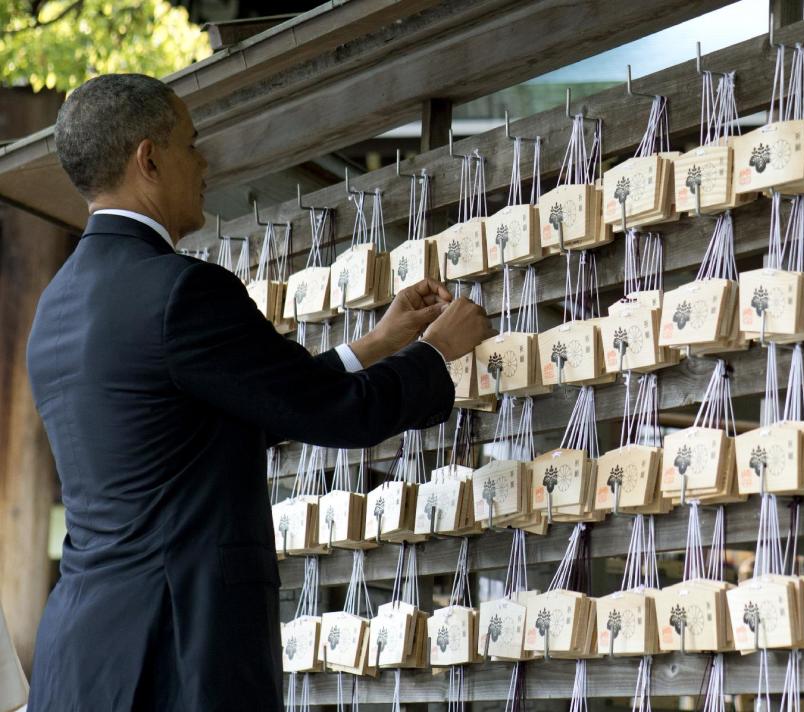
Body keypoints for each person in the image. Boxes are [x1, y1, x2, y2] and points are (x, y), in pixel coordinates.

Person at [26, 73, 493, 711]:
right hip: (177, 651)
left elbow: (232, 416)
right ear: (150, 158)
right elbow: (341, 416)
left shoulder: (54, 307)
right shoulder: (181, 290)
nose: (205, 162)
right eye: (191, 143)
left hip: (80, 656)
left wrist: (375, 344)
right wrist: (437, 354)